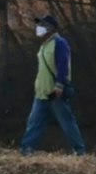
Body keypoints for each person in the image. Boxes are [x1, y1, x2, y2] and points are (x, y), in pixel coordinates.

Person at [19, 15, 85, 153]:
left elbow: (63, 66)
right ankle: (26, 149)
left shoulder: (59, 43)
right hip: (41, 92)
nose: (39, 27)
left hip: (55, 92)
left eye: (42, 24)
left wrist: (60, 85)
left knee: (67, 122)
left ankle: (79, 150)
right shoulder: (44, 45)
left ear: (51, 27)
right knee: (34, 123)